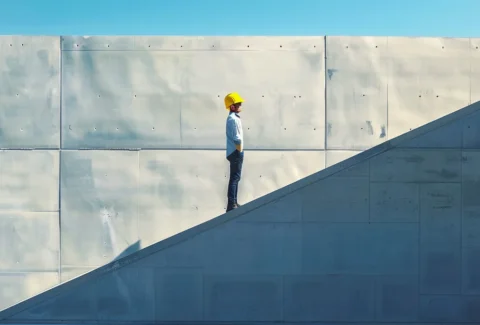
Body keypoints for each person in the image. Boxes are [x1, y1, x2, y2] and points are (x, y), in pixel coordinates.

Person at [224, 92, 244, 212]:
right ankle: (232, 204)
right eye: (238, 103)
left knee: (235, 178)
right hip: (236, 151)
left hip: (235, 151)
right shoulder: (233, 119)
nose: (240, 104)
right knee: (235, 178)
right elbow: (237, 137)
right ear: (232, 106)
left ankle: (233, 202)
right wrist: (239, 150)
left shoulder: (233, 118)